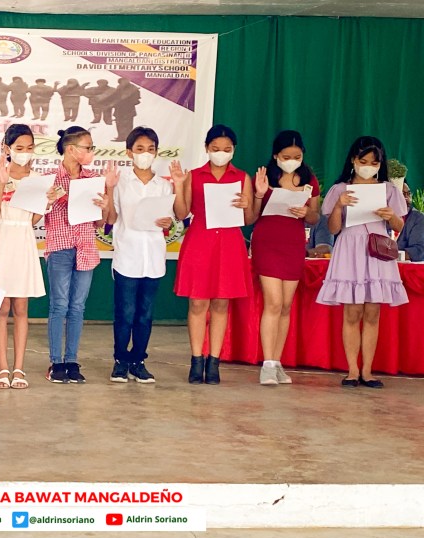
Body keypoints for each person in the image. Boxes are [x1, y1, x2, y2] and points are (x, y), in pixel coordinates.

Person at [317, 136, 407, 388]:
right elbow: (333, 229)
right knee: (352, 311)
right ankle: (352, 370)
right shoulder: (339, 189)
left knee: (372, 311)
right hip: (350, 249)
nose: (368, 167)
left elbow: (399, 225)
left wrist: (391, 216)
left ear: (380, 164)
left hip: (377, 250)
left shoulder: (388, 190)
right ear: (353, 160)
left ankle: (367, 371)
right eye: (363, 161)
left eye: (374, 163)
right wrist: (339, 206)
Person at [172, 125, 254, 385]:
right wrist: (178, 186)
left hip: (229, 243)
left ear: (234, 150)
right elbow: (181, 213)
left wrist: (249, 204)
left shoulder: (242, 177)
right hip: (200, 241)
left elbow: (250, 218)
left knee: (221, 303)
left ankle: (214, 361)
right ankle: (196, 359)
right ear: (207, 148)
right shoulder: (194, 175)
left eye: (227, 149)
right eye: (215, 148)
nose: (221, 153)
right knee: (198, 303)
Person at [44, 126, 117, 384]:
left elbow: (102, 222)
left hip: (85, 248)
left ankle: (72, 360)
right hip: (60, 247)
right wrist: (47, 201)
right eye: (88, 147)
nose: (91, 152)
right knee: (59, 305)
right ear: (71, 149)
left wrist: (107, 201)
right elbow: (38, 214)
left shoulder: (93, 180)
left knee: (77, 307)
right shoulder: (50, 178)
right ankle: (56, 362)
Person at [249, 130, 320, 385]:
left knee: (286, 305)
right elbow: (252, 216)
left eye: (297, 156)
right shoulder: (265, 177)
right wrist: (259, 194)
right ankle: (267, 364)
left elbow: (315, 216)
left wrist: (305, 213)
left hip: (293, 244)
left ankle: (277, 362)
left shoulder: (309, 179)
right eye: (286, 156)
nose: (292, 161)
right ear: (276, 155)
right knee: (274, 302)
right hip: (268, 242)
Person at [102, 127, 173, 384]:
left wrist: (167, 221)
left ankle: (138, 361)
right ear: (129, 152)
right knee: (125, 313)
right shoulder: (120, 182)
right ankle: (120, 361)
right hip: (127, 256)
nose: (145, 154)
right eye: (140, 149)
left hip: (153, 256)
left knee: (145, 314)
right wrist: (109, 189)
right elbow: (111, 219)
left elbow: (171, 218)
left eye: (150, 149)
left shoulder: (163, 186)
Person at [0, 125, 53, 390]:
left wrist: (46, 203)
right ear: (7, 148)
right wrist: (2, 184)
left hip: (24, 240)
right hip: (0, 240)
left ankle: (19, 369)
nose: (25, 152)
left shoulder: (38, 179)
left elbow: (33, 219)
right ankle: (2, 368)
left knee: (21, 308)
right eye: (19, 148)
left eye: (29, 148)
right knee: (1, 307)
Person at [397, 182, 424, 262]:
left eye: (408, 194)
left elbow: (419, 250)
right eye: (402, 194)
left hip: (405, 267)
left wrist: (392, 256)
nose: (406, 198)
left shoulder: (418, 218)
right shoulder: (380, 217)